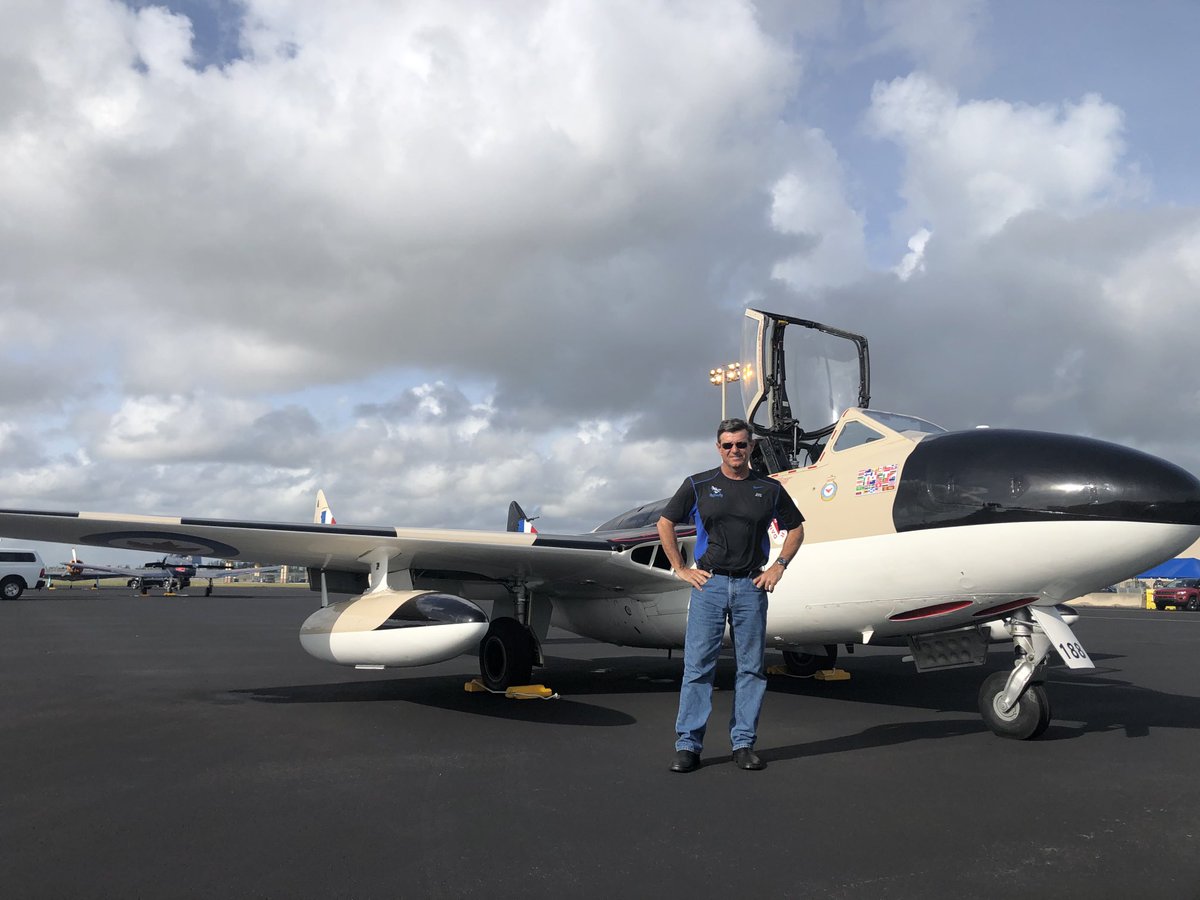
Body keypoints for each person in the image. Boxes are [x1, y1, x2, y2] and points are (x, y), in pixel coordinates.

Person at [656, 417, 805, 773]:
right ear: (718, 448)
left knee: (751, 668)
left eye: (741, 444)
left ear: (751, 446)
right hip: (710, 586)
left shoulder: (769, 488)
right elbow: (665, 523)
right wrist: (681, 567)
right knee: (698, 667)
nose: (734, 450)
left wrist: (779, 566)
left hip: (751, 586)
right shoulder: (698, 484)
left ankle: (743, 744)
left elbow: (797, 528)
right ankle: (688, 746)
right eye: (728, 445)